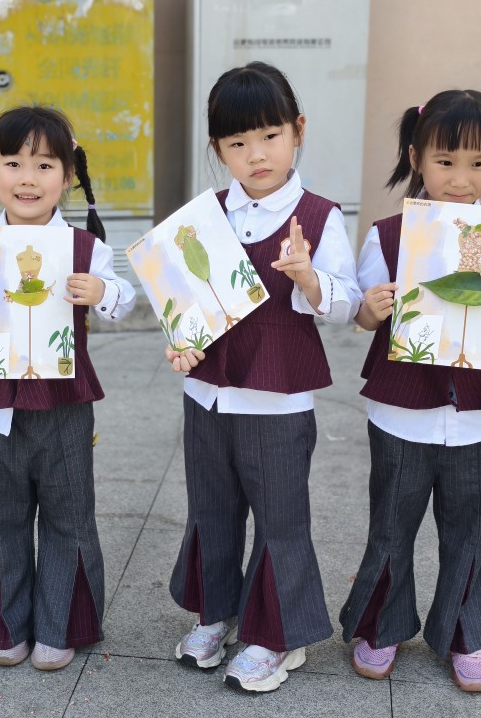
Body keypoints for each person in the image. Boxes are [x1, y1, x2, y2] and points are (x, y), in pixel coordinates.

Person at [166, 62, 362, 693]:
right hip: (207, 397)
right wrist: (180, 343)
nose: (256, 155)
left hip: (277, 403)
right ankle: (216, 613)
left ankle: (276, 635)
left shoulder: (320, 216)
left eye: (270, 136)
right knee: (211, 510)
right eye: (238, 143)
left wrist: (307, 276)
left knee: (280, 519)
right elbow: (185, 301)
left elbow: (347, 303)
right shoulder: (206, 214)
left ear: (298, 130)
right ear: (218, 148)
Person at [0, 105, 136, 672]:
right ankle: (6, 624)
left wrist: (103, 293)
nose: (28, 178)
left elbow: (124, 298)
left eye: (44, 165)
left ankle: (60, 626)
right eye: (13, 163)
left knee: (69, 515)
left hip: (67, 404)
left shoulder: (85, 247)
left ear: (67, 176)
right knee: (2, 518)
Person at [339, 89, 481, 693]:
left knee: (469, 531)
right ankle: (383, 625)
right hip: (402, 411)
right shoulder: (388, 236)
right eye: (445, 161)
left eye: (478, 163)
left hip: (478, 414)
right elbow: (361, 315)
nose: (460, 178)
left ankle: (465, 634)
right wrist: (372, 309)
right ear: (416, 158)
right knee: (391, 525)